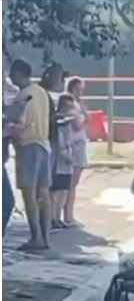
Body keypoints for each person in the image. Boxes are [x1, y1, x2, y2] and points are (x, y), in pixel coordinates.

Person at [5, 60, 52, 251]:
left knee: (29, 194)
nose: (10, 77)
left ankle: (36, 237)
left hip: (27, 146)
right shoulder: (41, 92)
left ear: (18, 74)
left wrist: (9, 131)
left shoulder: (23, 96)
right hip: (43, 144)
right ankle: (46, 237)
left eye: (12, 74)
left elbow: (19, 123)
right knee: (43, 193)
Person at [62, 76, 90, 228]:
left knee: (73, 184)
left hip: (79, 143)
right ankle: (68, 216)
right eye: (77, 89)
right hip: (74, 144)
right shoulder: (70, 104)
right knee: (70, 184)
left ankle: (68, 215)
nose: (80, 92)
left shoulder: (79, 104)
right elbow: (78, 124)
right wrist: (84, 116)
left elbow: (87, 118)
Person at [50, 94, 77, 229]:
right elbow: (60, 141)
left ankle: (58, 217)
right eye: (67, 106)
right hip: (59, 160)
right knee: (56, 191)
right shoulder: (59, 121)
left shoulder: (69, 122)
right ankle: (53, 218)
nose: (69, 109)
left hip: (68, 160)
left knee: (64, 190)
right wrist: (65, 154)